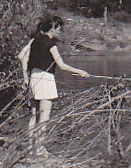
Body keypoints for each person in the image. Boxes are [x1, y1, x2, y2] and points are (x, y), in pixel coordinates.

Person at [17, 15, 90, 154]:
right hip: (46, 79)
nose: (60, 32)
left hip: (34, 78)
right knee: (44, 116)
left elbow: (21, 56)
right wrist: (80, 72)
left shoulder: (34, 41)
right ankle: (39, 149)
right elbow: (61, 65)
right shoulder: (51, 44)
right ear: (53, 28)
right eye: (59, 29)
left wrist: (25, 77)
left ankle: (30, 148)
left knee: (34, 115)